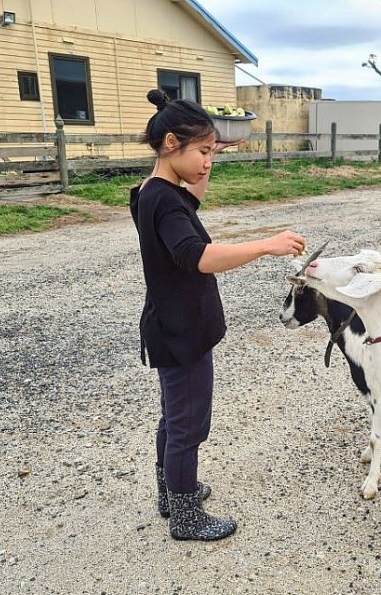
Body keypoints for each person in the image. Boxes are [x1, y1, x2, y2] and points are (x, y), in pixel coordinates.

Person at [130, 90, 306, 541]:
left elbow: (193, 196)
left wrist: (210, 152)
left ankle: (173, 495)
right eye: (203, 151)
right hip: (182, 330)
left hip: (170, 325)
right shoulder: (165, 201)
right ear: (172, 143)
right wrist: (266, 245)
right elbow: (197, 257)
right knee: (189, 426)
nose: (209, 161)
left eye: (213, 152)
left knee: (174, 417)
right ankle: (186, 517)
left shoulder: (153, 192)